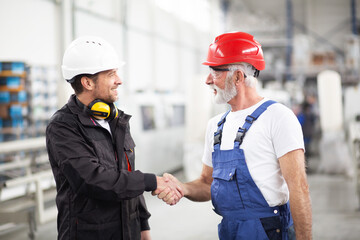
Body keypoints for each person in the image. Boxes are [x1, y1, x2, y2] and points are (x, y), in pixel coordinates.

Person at [154, 32, 312, 239]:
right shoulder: (216, 126)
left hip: (271, 230)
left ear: (238, 76)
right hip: (231, 231)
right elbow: (207, 183)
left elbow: (298, 188)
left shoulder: (278, 117)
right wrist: (182, 188)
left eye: (215, 72)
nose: (208, 80)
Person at [46, 36, 182, 240]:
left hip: (129, 232)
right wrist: (151, 181)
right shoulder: (63, 126)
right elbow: (91, 179)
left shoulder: (116, 119)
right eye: (111, 74)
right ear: (87, 82)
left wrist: (143, 227)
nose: (119, 80)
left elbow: (128, 173)